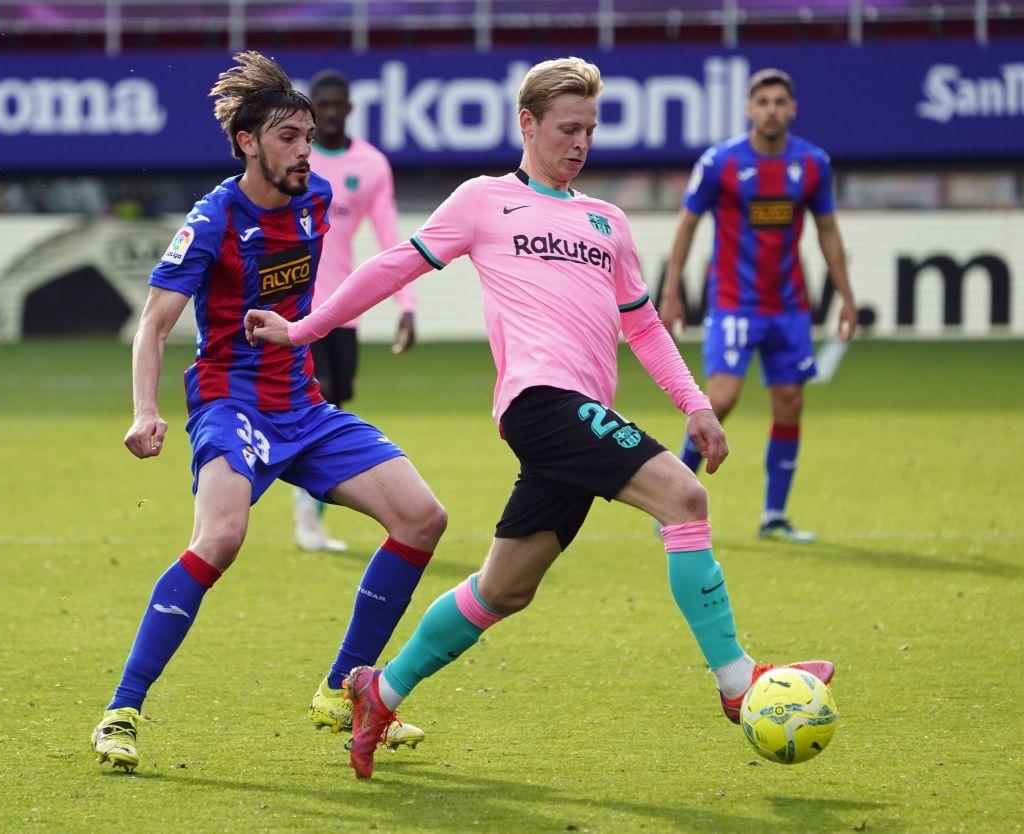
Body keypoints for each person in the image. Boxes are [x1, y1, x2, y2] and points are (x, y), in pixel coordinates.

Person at [244, 57, 835, 780]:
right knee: (684, 498)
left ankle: (379, 691)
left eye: (589, 128)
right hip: (540, 402)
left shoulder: (606, 220)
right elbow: (392, 266)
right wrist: (303, 331)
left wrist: (697, 406)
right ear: (527, 124)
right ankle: (737, 681)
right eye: (566, 128)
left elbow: (643, 327)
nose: (580, 142)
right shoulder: (485, 201)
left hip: (583, 414)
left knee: (504, 589)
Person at [89, 52, 440, 772]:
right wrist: (144, 410)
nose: (305, 151)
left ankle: (344, 689)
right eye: (289, 137)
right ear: (248, 141)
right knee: (221, 537)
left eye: (308, 137)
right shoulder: (214, 216)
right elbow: (155, 324)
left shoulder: (315, 202)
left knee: (422, 518)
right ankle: (122, 709)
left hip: (304, 406)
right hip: (231, 403)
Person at [658, 68, 858, 543]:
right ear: (750, 109)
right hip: (733, 304)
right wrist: (671, 290)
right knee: (720, 401)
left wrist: (846, 296)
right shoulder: (721, 163)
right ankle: (671, 495)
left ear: (792, 109)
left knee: (789, 406)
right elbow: (687, 224)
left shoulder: (813, 164)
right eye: (762, 102)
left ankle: (774, 515)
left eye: (779, 102)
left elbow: (827, 228)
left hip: (789, 309)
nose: (771, 110)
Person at [290, 69, 418, 553]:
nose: (328, 113)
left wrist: (408, 304)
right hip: (296, 308)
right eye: (319, 105)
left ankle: (311, 514)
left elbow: (390, 239)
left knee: (333, 408)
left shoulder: (370, 165)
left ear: (347, 109)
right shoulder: (293, 155)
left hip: (344, 310)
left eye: (336, 105)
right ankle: (305, 517)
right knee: (313, 406)